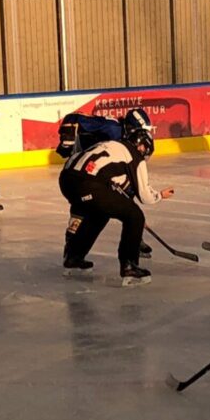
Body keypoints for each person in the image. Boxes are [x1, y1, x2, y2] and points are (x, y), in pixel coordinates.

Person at [58, 108, 174, 286]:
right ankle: (129, 265)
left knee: (99, 213)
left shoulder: (112, 145)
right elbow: (145, 196)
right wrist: (160, 195)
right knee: (135, 216)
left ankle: (74, 256)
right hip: (89, 182)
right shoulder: (135, 157)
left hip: (67, 178)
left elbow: (115, 186)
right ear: (142, 145)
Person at [57, 111, 154, 258]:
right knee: (83, 207)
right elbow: (73, 118)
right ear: (128, 128)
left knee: (121, 201)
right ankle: (72, 244)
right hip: (83, 167)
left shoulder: (129, 141)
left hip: (101, 171)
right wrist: (68, 140)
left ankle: (134, 237)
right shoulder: (110, 127)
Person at [55, 112, 124, 159]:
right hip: (82, 151)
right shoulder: (113, 128)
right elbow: (73, 117)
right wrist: (69, 133)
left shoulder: (115, 128)